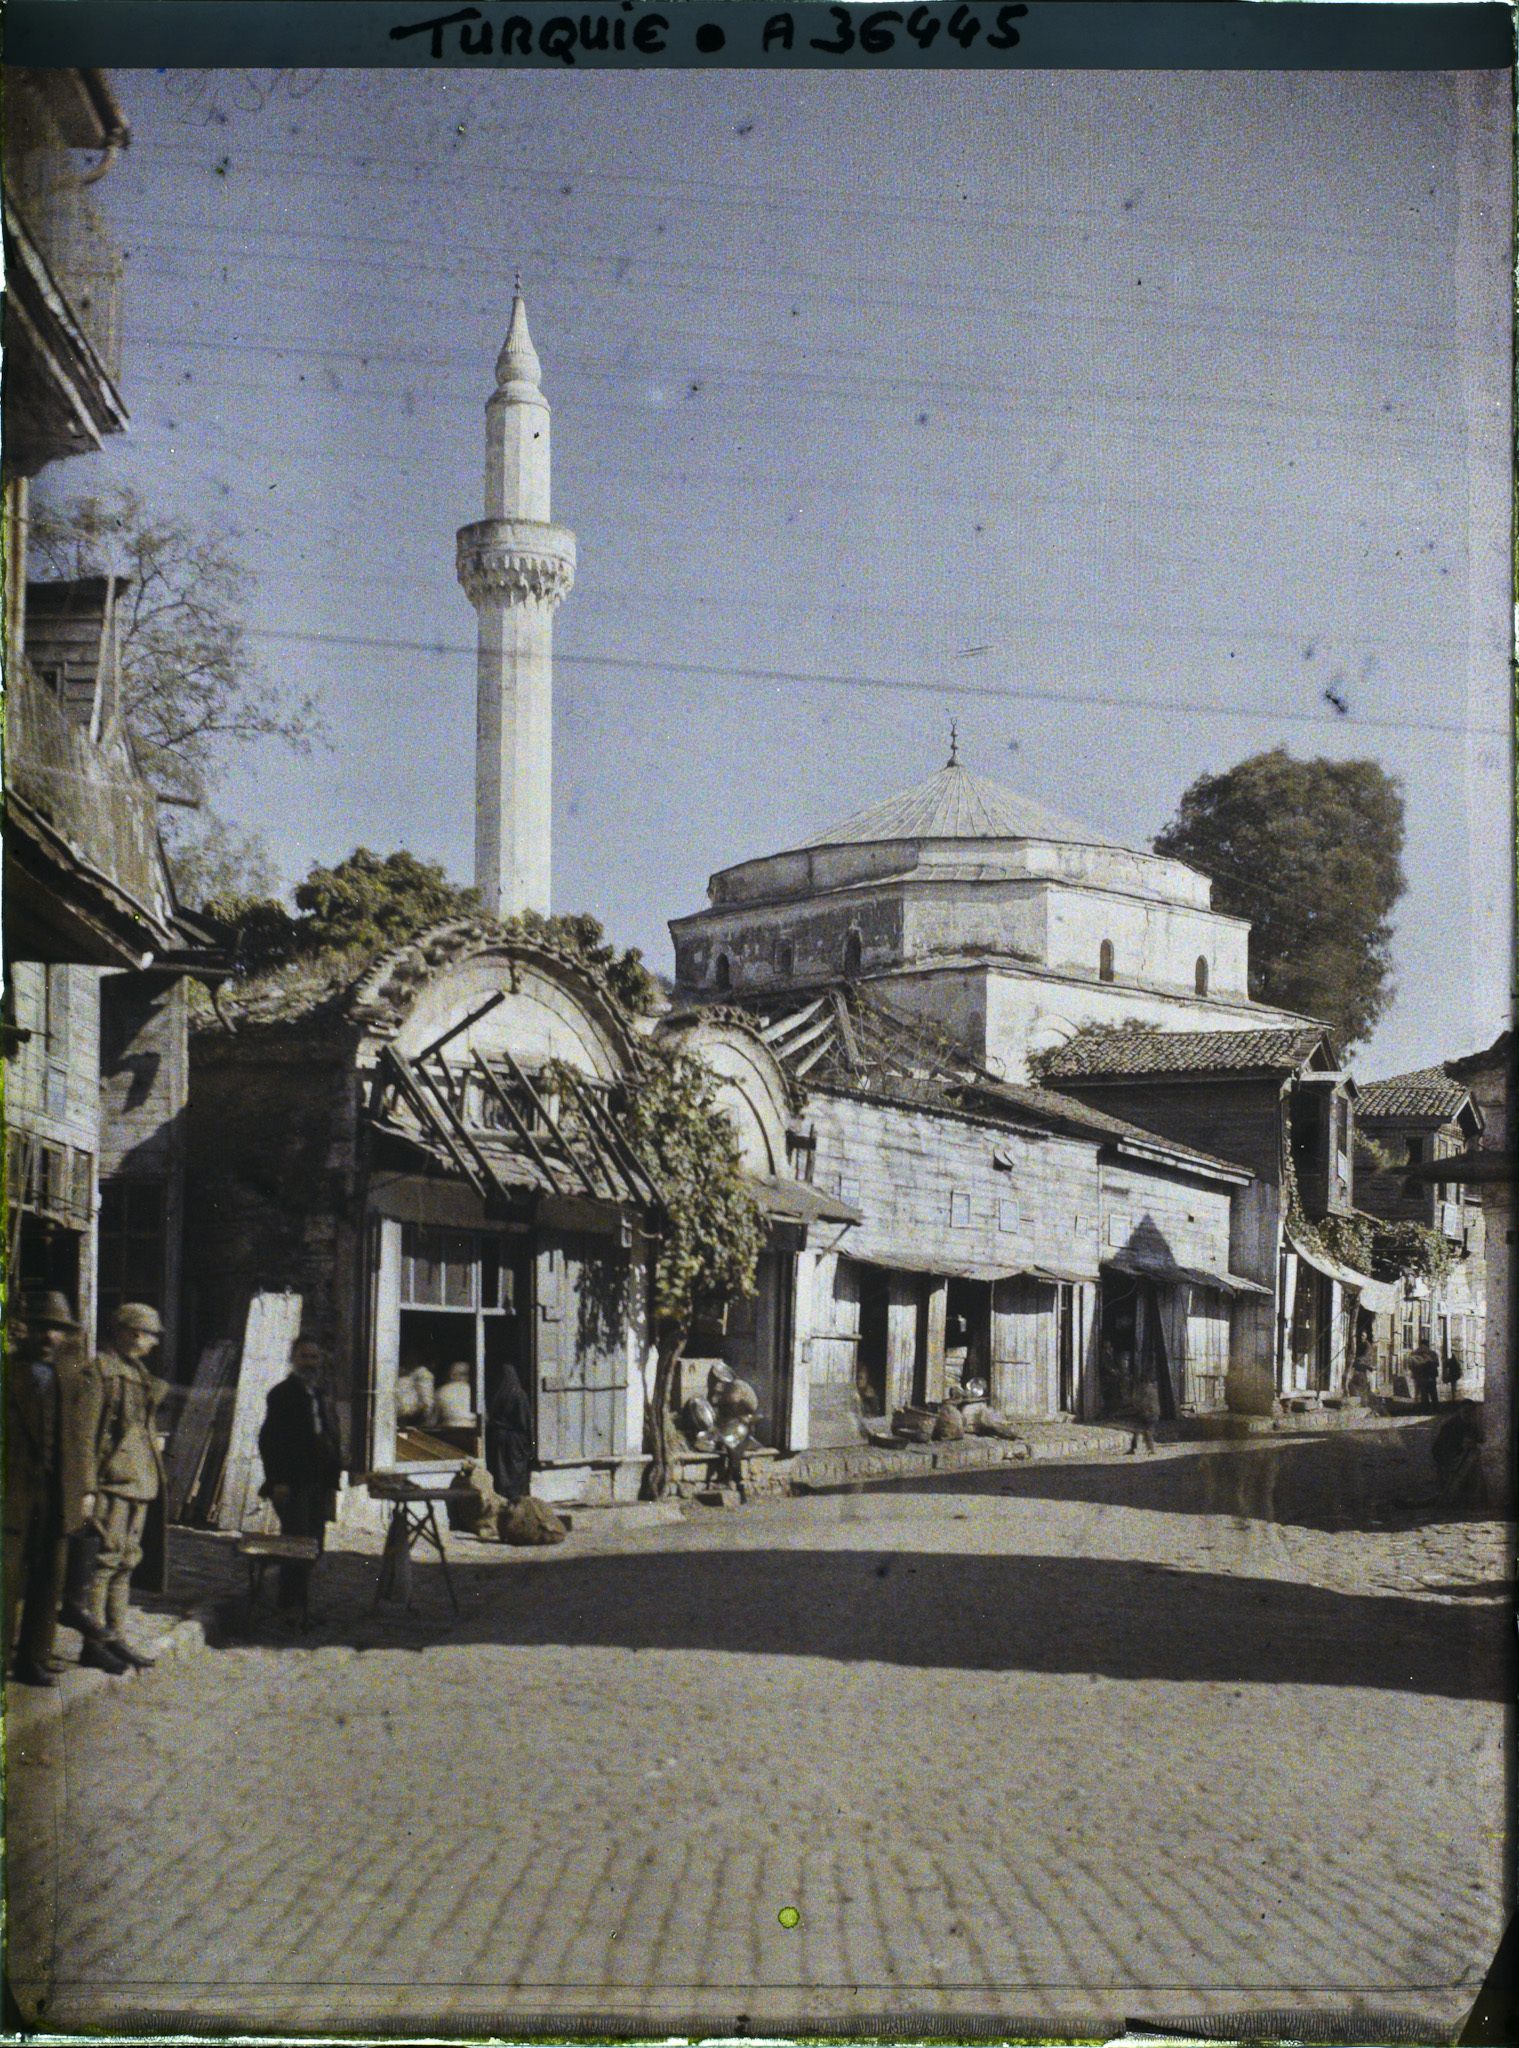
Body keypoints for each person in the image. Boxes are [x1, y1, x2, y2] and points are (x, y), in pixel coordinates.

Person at [4, 1291, 93, 1685]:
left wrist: (83, 1490)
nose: (49, 1337)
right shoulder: (8, 1372)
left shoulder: (71, 1378)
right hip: (12, 1493)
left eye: (57, 1330)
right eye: (42, 1328)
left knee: (49, 1578)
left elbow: (79, 1440)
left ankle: (33, 1659)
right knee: (4, 1580)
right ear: (27, 1331)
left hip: (56, 1493)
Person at [79, 1302, 169, 1670]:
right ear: (131, 1333)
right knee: (104, 1564)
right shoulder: (101, 1372)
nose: (152, 1342)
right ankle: (95, 1642)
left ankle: (116, 1637)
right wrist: (87, 1488)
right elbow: (86, 1435)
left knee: (126, 1562)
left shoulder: (139, 1374)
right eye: (149, 1334)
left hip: (139, 1482)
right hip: (113, 1483)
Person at [258, 1335, 344, 1614]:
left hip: (320, 1481)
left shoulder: (321, 1395)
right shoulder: (282, 1394)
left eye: (314, 1357)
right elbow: (270, 1441)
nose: (310, 1363)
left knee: (314, 1544)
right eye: (304, 1357)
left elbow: (330, 1434)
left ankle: (299, 1602)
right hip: (293, 1482)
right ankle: (290, 1606)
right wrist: (278, 1481)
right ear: (293, 1359)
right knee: (296, 1544)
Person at [485, 1359, 533, 1504]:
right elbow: (525, 1422)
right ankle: (515, 1502)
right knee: (515, 1473)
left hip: (498, 1437)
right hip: (514, 1440)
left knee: (501, 1472)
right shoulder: (519, 1394)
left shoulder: (496, 1395)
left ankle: (502, 1500)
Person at [1126, 1372, 1161, 1456]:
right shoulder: (1153, 1389)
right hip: (1151, 1414)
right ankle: (1136, 1448)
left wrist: (1137, 1408)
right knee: (1141, 1431)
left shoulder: (1145, 1390)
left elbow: (1141, 1402)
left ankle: (1150, 1449)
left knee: (1144, 1431)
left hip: (1148, 1414)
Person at [432, 1361, 476, 1428]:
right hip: (472, 1430)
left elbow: (433, 1420)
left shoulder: (440, 1391)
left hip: (450, 1430)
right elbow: (484, 1418)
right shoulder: (476, 1392)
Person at [1405, 1338, 1441, 1412]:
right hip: (1430, 1377)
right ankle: (1435, 1409)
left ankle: (1425, 1409)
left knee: (1423, 1394)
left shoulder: (1414, 1353)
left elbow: (1410, 1365)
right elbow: (1437, 1364)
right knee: (1433, 1393)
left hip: (1420, 1377)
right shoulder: (1432, 1353)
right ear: (1427, 1344)